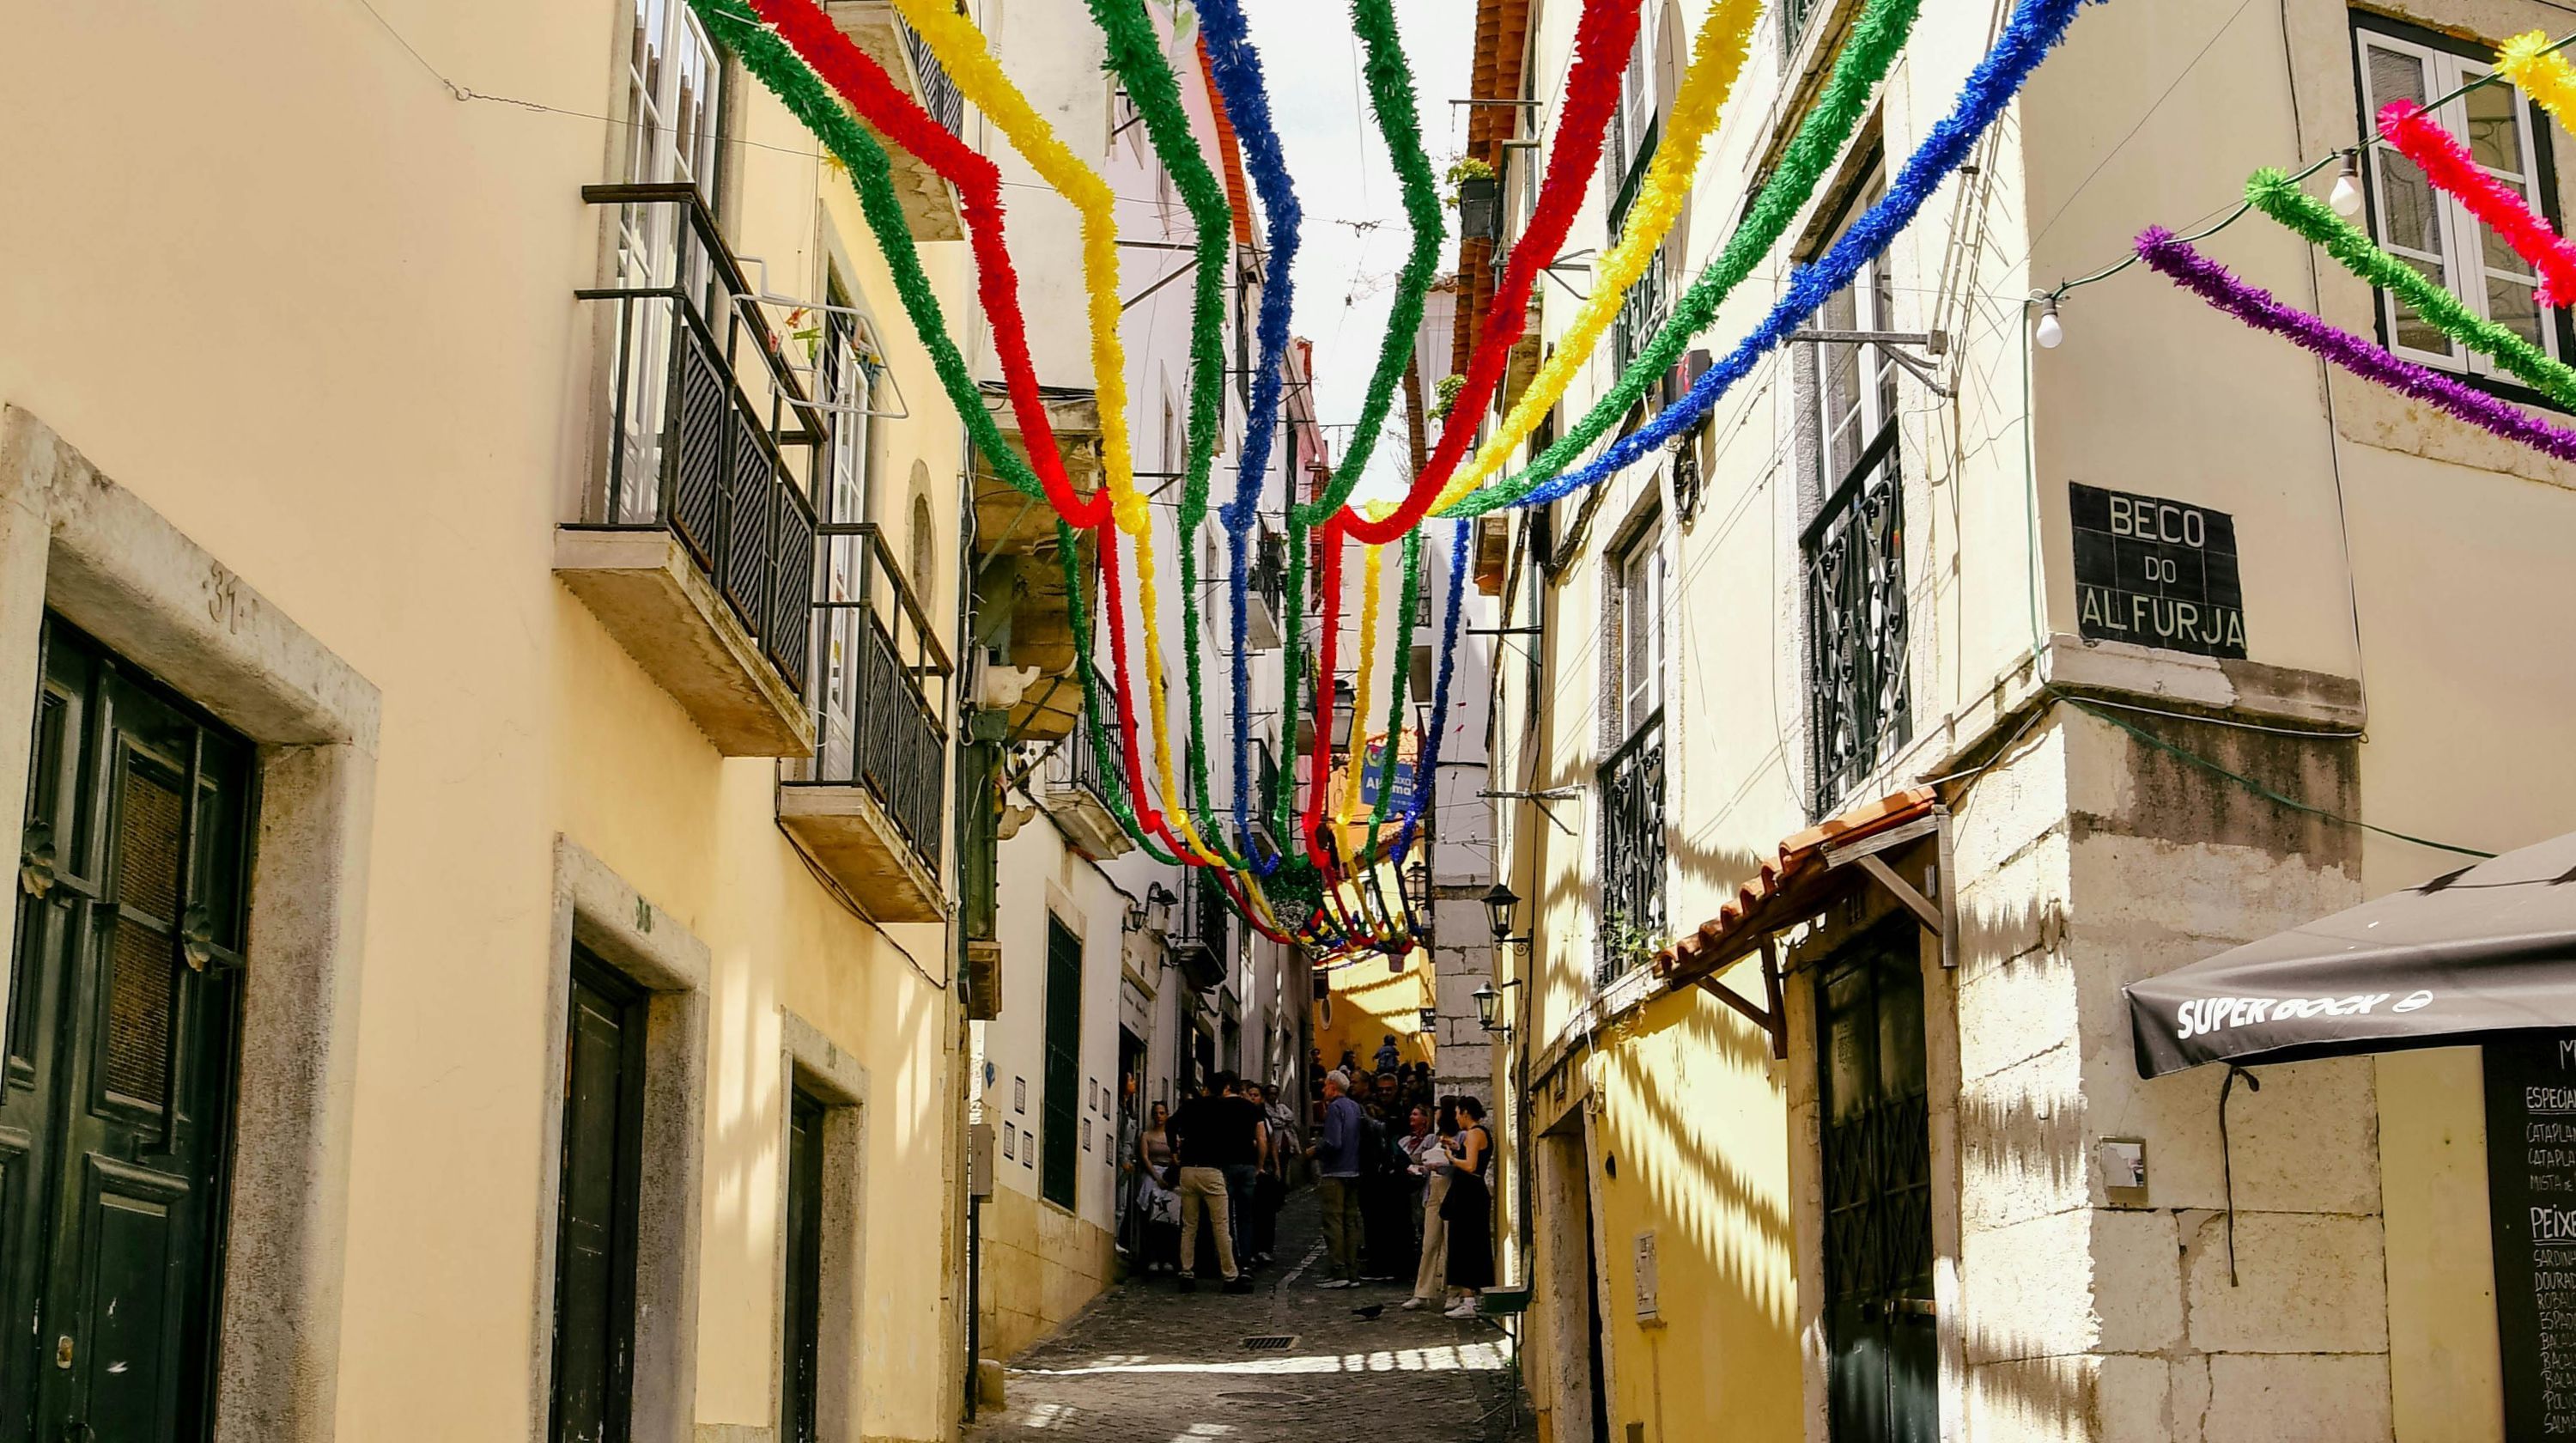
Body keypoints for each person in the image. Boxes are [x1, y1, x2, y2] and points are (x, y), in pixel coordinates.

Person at [1166, 1079, 1256, 1294]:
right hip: (1212, 1171)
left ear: (1205, 1090)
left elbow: (1170, 1124)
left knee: (1189, 1226)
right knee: (1221, 1226)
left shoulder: (1189, 1106)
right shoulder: (1223, 1109)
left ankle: (1186, 1273)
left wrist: (1174, 1150)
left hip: (1188, 1170)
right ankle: (1230, 1276)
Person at [1307, 1069, 1366, 1288]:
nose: (1323, 1090)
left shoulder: (1335, 1108)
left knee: (1334, 1222)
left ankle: (1338, 1271)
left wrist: (1315, 1150)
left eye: (1325, 1086)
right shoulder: (1355, 1107)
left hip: (1335, 1172)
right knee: (1350, 1222)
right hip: (1354, 1170)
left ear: (1333, 1086)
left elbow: (1333, 1142)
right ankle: (1352, 1272)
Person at [1441, 1097, 1497, 1318]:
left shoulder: (1474, 1133)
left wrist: (1451, 1158)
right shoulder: (1478, 1135)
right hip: (1472, 1193)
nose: (1455, 1117)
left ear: (1465, 1112)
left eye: (1457, 1112)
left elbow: (1471, 1165)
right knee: (1469, 1243)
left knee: (1466, 1245)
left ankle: (1469, 1299)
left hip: (1469, 1195)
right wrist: (1457, 1147)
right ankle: (1470, 1297)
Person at [1400, 1103, 1451, 1310]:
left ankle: (1451, 1291)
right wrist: (1423, 1168)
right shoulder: (1434, 1139)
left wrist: (1444, 1162)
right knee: (1429, 1243)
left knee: (1450, 1244)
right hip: (1432, 1190)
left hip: (1449, 1189)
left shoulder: (1461, 1138)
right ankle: (1423, 1291)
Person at [1135, 1101, 1180, 1275]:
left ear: (1167, 1115)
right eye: (1156, 1113)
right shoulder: (1146, 1136)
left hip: (1169, 1176)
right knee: (1151, 1219)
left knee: (1170, 1219)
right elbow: (1145, 1157)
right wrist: (1156, 1176)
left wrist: (1169, 1177)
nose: (1159, 1116)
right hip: (1153, 1175)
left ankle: (1167, 1258)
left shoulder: (1173, 1136)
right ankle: (1152, 1258)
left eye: (1162, 1113)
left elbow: (1176, 1157)